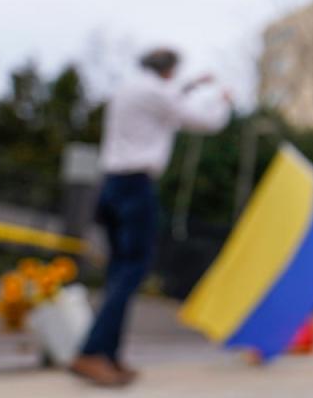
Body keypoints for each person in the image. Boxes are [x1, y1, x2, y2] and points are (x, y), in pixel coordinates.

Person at [70, 48, 231, 387]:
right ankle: (92, 353)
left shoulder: (130, 89)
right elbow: (206, 122)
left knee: (119, 272)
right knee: (132, 271)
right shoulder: (158, 93)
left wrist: (193, 84)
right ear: (169, 70)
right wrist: (223, 101)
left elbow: (169, 96)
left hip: (110, 185)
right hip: (135, 187)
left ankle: (109, 355)